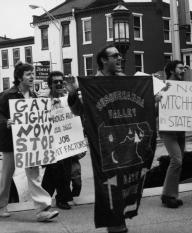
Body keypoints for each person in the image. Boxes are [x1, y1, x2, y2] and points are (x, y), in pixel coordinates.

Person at [67, 44, 128, 233]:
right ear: (103, 60)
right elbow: (78, 111)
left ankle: (121, 222)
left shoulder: (125, 80)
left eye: (120, 56)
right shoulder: (91, 84)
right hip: (103, 141)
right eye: (115, 56)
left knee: (125, 182)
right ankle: (115, 226)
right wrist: (73, 94)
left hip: (124, 137)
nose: (120, 59)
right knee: (109, 184)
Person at [0, 61, 59, 221]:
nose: (32, 77)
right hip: (11, 142)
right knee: (7, 174)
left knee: (33, 175)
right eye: (28, 74)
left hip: (29, 143)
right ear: (19, 77)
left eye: (33, 74)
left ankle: (42, 210)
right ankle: (2, 205)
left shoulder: (35, 96)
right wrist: (5, 122)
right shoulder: (7, 95)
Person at [41, 71, 74, 210]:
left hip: (66, 141)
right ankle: (57, 199)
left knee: (65, 171)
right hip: (50, 142)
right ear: (50, 85)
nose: (59, 83)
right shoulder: (43, 101)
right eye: (55, 82)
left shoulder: (68, 99)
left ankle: (49, 199)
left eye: (61, 81)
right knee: (54, 170)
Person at [158, 60, 186, 208]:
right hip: (168, 130)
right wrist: (158, 101)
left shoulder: (186, 87)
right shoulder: (164, 87)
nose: (183, 70)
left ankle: (172, 194)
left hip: (181, 130)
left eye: (183, 68)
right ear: (172, 70)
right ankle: (167, 195)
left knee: (179, 162)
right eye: (180, 68)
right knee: (177, 160)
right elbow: (156, 109)